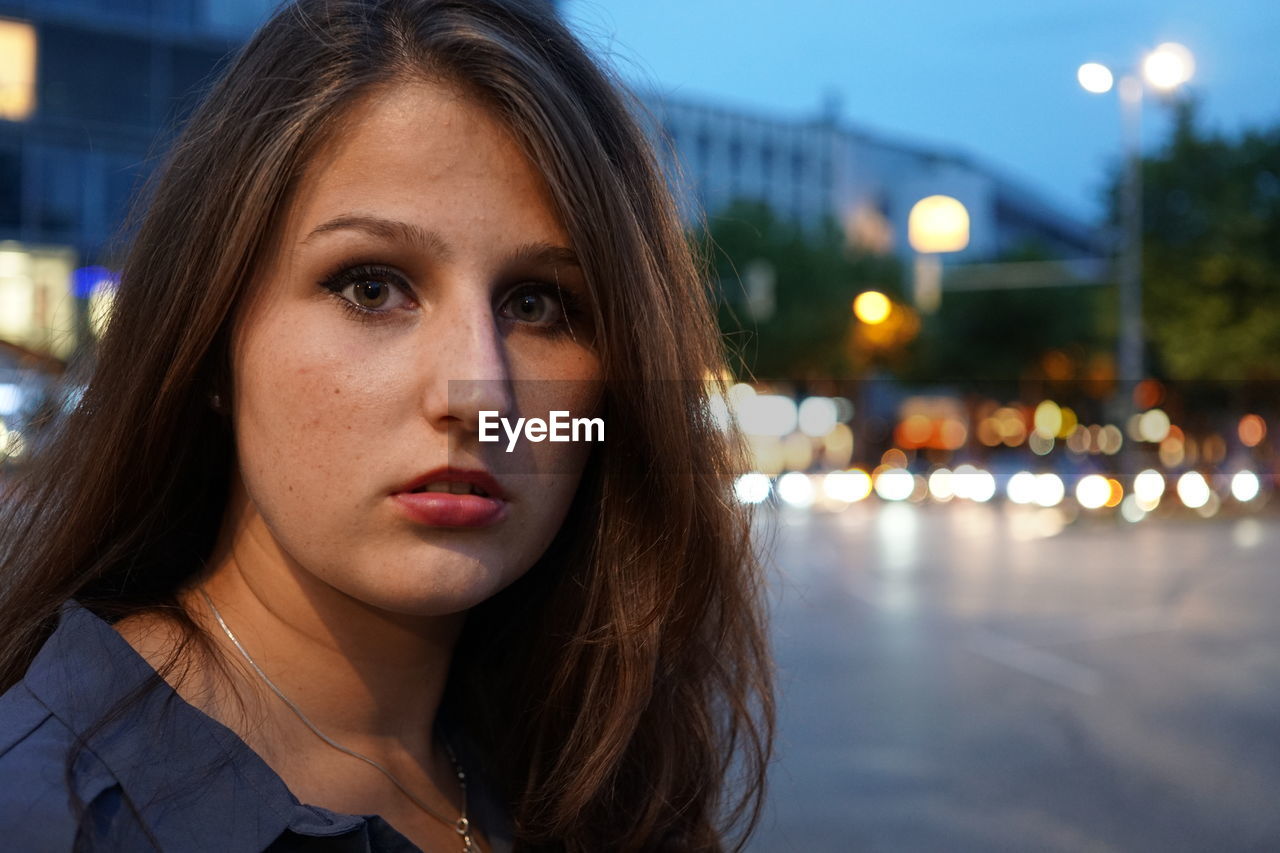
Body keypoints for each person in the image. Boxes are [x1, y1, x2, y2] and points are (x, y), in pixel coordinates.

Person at [0, 1, 774, 851]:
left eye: (538, 303)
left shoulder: (582, 768)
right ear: (213, 340)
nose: (478, 394)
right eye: (372, 286)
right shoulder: (52, 810)